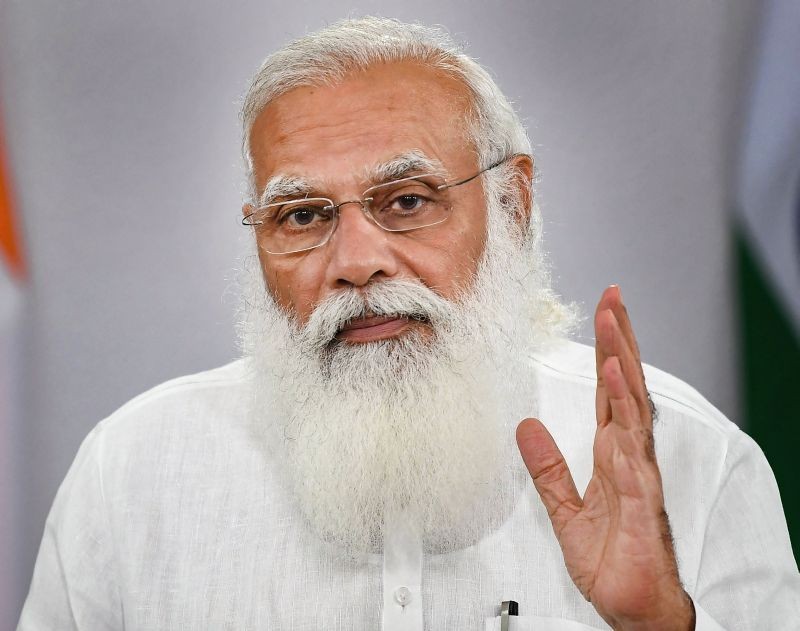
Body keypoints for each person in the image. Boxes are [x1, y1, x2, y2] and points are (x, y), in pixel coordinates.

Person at [17, 16, 799, 631]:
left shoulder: (693, 460)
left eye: (407, 202)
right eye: (303, 214)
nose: (357, 260)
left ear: (513, 207)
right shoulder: (132, 474)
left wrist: (662, 627)